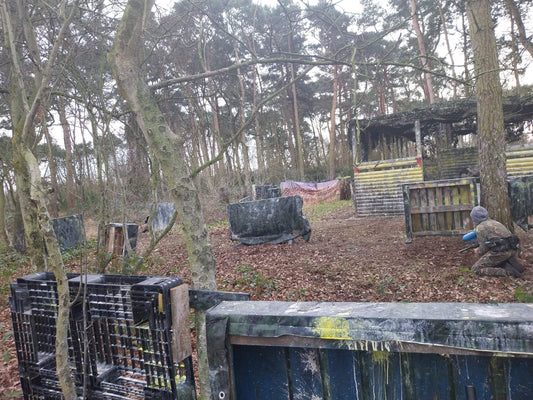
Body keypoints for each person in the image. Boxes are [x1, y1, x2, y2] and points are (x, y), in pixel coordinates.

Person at [470, 206, 523, 277]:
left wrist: (477, 251)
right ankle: (515, 266)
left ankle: (508, 272)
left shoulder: (480, 228)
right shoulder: (495, 222)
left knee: (475, 269)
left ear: (474, 218)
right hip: (513, 249)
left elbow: (483, 249)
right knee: (499, 255)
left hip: (501, 252)